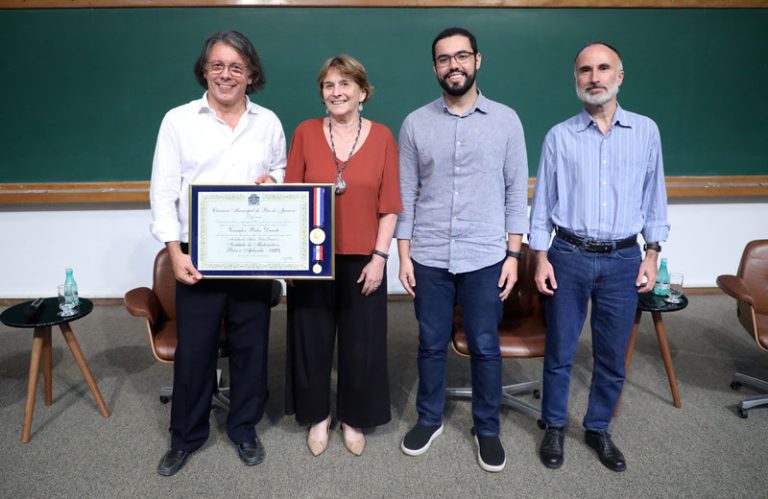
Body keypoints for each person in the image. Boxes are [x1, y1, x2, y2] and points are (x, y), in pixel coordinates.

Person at [149, 31, 286, 476]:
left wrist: (275, 184)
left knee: (251, 346)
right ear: (204, 70)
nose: (226, 74)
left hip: (253, 254)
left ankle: (244, 428)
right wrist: (174, 253)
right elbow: (164, 192)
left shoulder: (268, 122)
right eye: (217, 65)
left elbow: (282, 173)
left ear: (251, 75)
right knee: (196, 351)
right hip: (198, 256)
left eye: (235, 67)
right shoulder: (178, 121)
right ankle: (186, 436)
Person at [529, 42, 669, 473]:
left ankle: (597, 427)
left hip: (624, 259)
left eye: (603, 68)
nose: (594, 77)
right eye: (585, 70)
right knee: (560, 349)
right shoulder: (559, 136)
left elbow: (654, 199)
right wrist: (540, 256)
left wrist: (653, 254)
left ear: (619, 76)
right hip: (567, 254)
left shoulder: (646, 132)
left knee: (610, 355)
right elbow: (543, 203)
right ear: (576, 80)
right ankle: (553, 425)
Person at [396, 27, 529, 473]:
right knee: (431, 343)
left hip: (485, 256)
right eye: (443, 59)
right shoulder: (416, 123)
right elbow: (406, 195)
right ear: (435, 67)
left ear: (477, 60)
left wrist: (513, 255)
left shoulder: (507, 120)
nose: (453, 65)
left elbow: (516, 194)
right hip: (429, 255)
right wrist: (402, 255)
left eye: (461, 56)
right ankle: (429, 418)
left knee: (485, 345)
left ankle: (486, 428)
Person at [284, 54, 402, 457]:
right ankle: (318, 415)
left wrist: (380, 258)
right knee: (311, 340)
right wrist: (292, 260)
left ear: (363, 92)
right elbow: (290, 201)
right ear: (322, 93)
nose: (337, 92)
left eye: (345, 84)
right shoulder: (303, 132)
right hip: (313, 259)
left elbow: (389, 206)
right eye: (329, 85)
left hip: (364, 259)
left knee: (362, 344)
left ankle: (354, 417)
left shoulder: (384, 136)